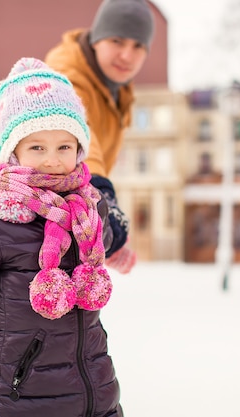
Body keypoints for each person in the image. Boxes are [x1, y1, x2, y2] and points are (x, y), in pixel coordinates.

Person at [0, 57, 124, 417]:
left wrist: (118, 233)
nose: (52, 160)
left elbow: (109, 243)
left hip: (96, 395)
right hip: (14, 401)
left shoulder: (91, 209)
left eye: (64, 146)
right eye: (37, 147)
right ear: (13, 151)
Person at [45, 0, 155, 274]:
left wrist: (104, 235)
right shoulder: (68, 73)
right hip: (47, 200)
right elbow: (81, 133)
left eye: (138, 46)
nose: (127, 56)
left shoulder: (117, 86)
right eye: (117, 41)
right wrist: (100, 194)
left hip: (73, 199)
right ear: (97, 38)